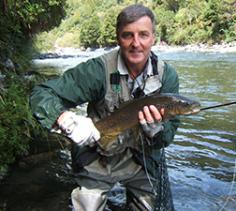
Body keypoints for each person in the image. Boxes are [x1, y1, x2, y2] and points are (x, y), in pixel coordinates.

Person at [30, 4, 179, 211]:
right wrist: (66, 121)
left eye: (143, 35)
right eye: (128, 35)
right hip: (97, 155)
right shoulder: (97, 70)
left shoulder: (167, 77)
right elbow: (42, 94)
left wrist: (157, 133)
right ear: (118, 38)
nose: (136, 43)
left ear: (153, 37)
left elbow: (167, 136)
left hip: (141, 160)